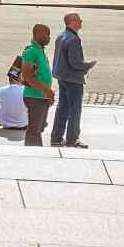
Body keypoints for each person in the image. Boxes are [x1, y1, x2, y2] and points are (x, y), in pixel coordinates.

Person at [49, 12, 95, 148]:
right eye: (79, 20)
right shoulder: (73, 39)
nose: (81, 21)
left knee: (62, 108)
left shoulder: (61, 36)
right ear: (72, 22)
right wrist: (87, 65)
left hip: (62, 77)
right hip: (73, 79)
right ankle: (72, 139)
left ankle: (56, 138)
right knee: (74, 110)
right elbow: (75, 62)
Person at [16, 24, 54, 146]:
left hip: (41, 96)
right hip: (35, 97)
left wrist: (48, 94)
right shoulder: (32, 51)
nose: (49, 37)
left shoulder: (40, 50)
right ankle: (34, 155)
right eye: (46, 34)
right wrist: (46, 90)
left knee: (39, 128)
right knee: (34, 130)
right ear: (38, 34)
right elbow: (27, 76)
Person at [0, 67, 28, 134]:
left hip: (5, 123)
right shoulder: (26, 91)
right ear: (20, 78)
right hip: (23, 124)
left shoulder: (2, 90)